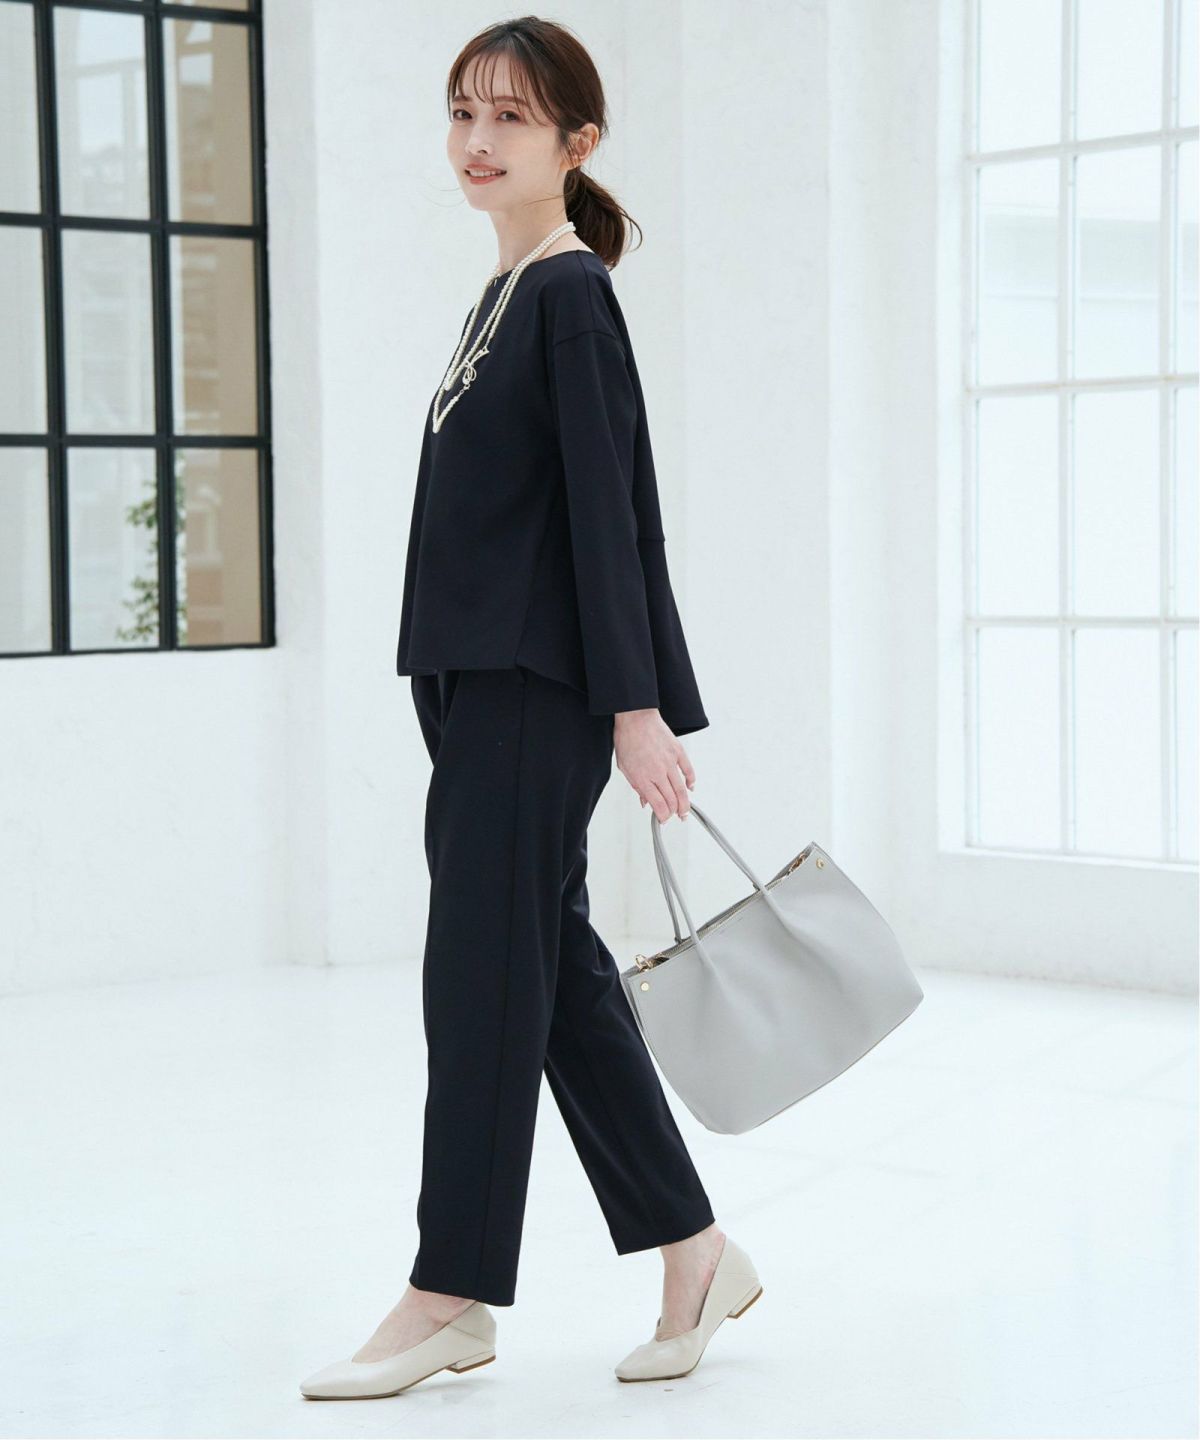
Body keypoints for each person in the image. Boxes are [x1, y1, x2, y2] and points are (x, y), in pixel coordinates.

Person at [300, 16, 762, 1402]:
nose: (477, 141)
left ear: (578, 142)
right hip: (474, 687)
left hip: (533, 689)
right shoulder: (504, 293)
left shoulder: (568, 295)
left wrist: (636, 707)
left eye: (509, 117)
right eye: (463, 113)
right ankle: (695, 1250)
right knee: (543, 976)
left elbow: (613, 520)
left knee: (477, 980)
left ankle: (450, 1291)